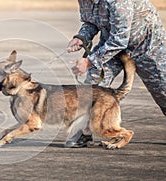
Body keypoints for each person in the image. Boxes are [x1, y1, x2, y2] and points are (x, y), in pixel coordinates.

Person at [65, 0, 166, 148]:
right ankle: (84, 131)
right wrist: (81, 37)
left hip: (146, 46)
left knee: (162, 91)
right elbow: (91, 23)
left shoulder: (118, 1)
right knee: (93, 84)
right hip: (111, 44)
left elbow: (120, 40)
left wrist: (89, 61)